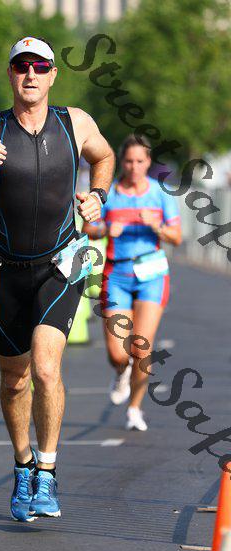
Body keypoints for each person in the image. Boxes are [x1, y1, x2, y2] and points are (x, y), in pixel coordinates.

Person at [0, 36, 115, 521]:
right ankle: (23, 466)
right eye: (21, 66)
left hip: (62, 263)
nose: (30, 74)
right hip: (5, 270)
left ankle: (48, 473)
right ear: (10, 74)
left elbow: (104, 157)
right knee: (14, 380)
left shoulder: (75, 123)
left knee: (46, 368)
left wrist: (99, 196)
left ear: (53, 74)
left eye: (40, 66)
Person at [83, 135, 182, 431]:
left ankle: (135, 408)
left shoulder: (160, 194)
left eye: (140, 161)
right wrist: (105, 229)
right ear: (121, 162)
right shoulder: (110, 193)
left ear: (148, 162)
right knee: (118, 353)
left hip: (152, 275)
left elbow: (177, 237)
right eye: (128, 161)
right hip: (117, 274)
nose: (134, 167)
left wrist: (157, 226)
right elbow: (88, 227)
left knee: (141, 349)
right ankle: (120, 372)